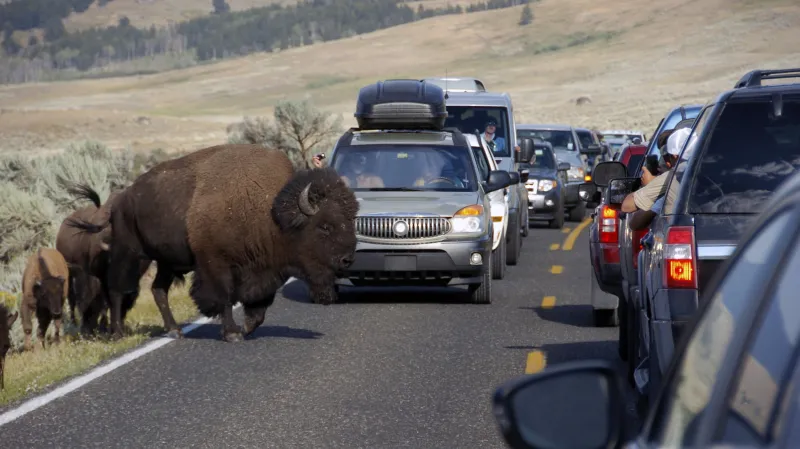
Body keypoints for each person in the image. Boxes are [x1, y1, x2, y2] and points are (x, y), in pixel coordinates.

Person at [621, 127, 691, 216]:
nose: (667, 163)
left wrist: (651, 183)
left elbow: (627, 206)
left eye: (666, 157)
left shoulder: (672, 176)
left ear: (674, 156)